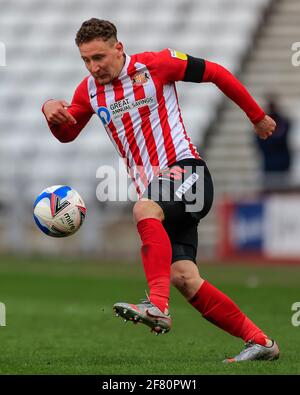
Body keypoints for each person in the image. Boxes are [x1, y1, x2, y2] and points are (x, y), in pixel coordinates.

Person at [42, 18, 279, 362]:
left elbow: (217, 72)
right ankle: (260, 342)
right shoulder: (89, 91)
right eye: (86, 61)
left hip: (188, 172)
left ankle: (156, 305)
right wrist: (49, 109)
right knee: (184, 277)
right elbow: (67, 133)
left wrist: (256, 116)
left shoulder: (156, 65)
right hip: (162, 194)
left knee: (143, 208)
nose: (94, 67)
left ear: (118, 48)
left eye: (99, 58)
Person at [255, 95, 292, 193]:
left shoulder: (284, 122)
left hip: (281, 165)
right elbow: (259, 141)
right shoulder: (262, 124)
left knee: (282, 193)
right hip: (270, 165)